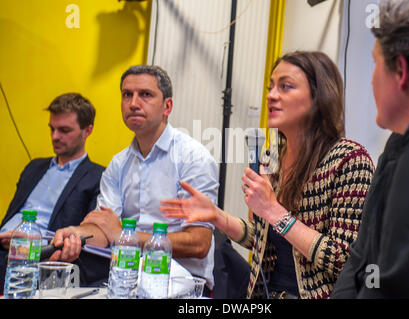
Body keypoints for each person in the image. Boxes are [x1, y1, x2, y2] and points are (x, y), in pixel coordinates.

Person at [161, 51, 375, 299]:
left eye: (285, 87)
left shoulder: (349, 159)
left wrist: (274, 211)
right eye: (271, 87)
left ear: (319, 97)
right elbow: (263, 243)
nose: (271, 96)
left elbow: (345, 261)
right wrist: (217, 216)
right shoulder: (272, 159)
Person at [53, 65, 219, 293]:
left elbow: (199, 243)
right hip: (125, 278)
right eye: (126, 95)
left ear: (167, 106)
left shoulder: (194, 158)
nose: (133, 103)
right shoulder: (118, 164)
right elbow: (103, 228)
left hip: (182, 283)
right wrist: (75, 234)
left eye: (146, 95)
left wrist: (122, 236)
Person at [331, 0, 409, 299]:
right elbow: (363, 257)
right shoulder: (400, 144)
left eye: (375, 64)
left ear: (402, 71)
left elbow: (398, 284)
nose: (371, 79)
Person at [0, 93, 108, 293]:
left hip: (39, 258)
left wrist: (37, 240)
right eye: (52, 128)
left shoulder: (98, 176)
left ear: (87, 131)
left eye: (64, 130)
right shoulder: (34, 167)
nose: (55, 136)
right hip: (4, 246)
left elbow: (89, 234)